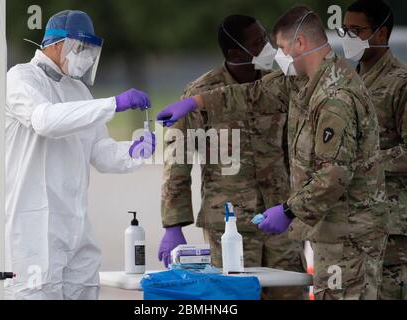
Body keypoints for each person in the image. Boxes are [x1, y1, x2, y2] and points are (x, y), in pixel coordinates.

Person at [157, 6, 388, 300]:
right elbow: (254, 94)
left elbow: (333, 174)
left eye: (279, 45)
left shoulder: (333, 97)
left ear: (300, 44)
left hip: (340, 230)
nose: (274, 53)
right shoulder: (305, 81)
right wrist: (196, 102)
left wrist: (290, 210)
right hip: (240, 223)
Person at [0, 10, 155, 300]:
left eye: (89, 51)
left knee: (84, 291)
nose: (85, 57)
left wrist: (133, 151)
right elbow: (44, 121)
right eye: (80, 48)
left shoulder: (79, 91)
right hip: (31, 228)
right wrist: (113, 104)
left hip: (75, 227)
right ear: (56, 44)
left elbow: (99, 151)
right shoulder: (20, 79)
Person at [158, 15, 305, 300]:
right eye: (258, 42)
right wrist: (173, 225)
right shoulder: (199, 93)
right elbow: (177, 163)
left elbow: (294, 150)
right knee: (234, 297)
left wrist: (299, 209)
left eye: (265, 37)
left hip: (279, 218)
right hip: (229, 224)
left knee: (290, 293)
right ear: (236, 52)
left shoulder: (279, 86)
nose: (267, 47)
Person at [340, 0, 407, 300]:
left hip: (390, 224)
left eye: (356, 30)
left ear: (381, 34)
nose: (348, 37)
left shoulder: (401, 84)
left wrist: (362, 163)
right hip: (349, 222)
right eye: (344, 30)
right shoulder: (346, 81)